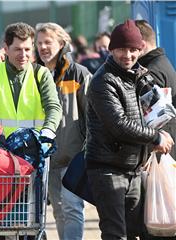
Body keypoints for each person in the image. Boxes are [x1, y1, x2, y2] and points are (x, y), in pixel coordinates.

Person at [85, 19, 174, 239]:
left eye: (133, 49)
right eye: (122, 49)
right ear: (111, 49)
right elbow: (119, 125)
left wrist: (162, 128)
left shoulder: (140, 75)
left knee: (137, 231)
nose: (128, 55)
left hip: (135, 168)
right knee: (116, 233)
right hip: (107, 169)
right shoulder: (103, 81)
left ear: (141, 49)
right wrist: (155, 138)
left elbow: (158, 111)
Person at [35, 22, 92, 240]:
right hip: (47, 156)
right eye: (39, 43)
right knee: (57, 210)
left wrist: (88, 150)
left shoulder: (78, 73)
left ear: (61, 43)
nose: (43, 47)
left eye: (48, 42)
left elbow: (91, 115)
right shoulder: (33, 74)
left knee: (72, 208)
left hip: (74, 155)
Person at [0, 22, 62, 141]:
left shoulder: (42, 74)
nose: (23, 55)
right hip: (0, 148)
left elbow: (53, 107)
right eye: (17, 49)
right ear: (5, 48)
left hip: (35, 147)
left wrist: (48, 131)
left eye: (27, 49)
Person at [135, 19, 176, 160]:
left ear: (142, 45)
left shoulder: (151, 72)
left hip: (161, 149)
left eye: (132, 47)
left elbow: (154, 118)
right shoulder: (162, 62)